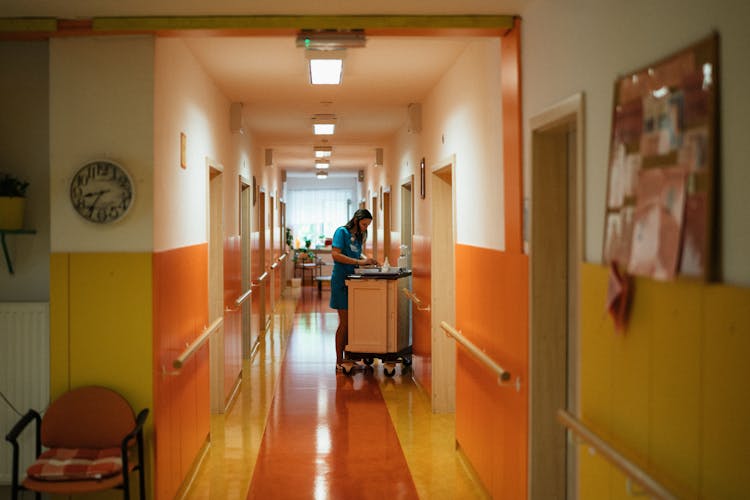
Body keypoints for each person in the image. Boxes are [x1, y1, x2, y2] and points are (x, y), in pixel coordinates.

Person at [330, 208, 378, 369]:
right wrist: (360, 262)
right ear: (356, 220)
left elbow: (358, 255)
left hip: (354, 281)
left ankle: (349, 355)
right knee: (344, 322)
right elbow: (336, 255)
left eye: (368, 225)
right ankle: (339, 360)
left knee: (353, 321)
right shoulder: (341, 232)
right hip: (341, 282)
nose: (365, 228)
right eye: (364, 224)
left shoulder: (358, 236)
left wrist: (368, 260)